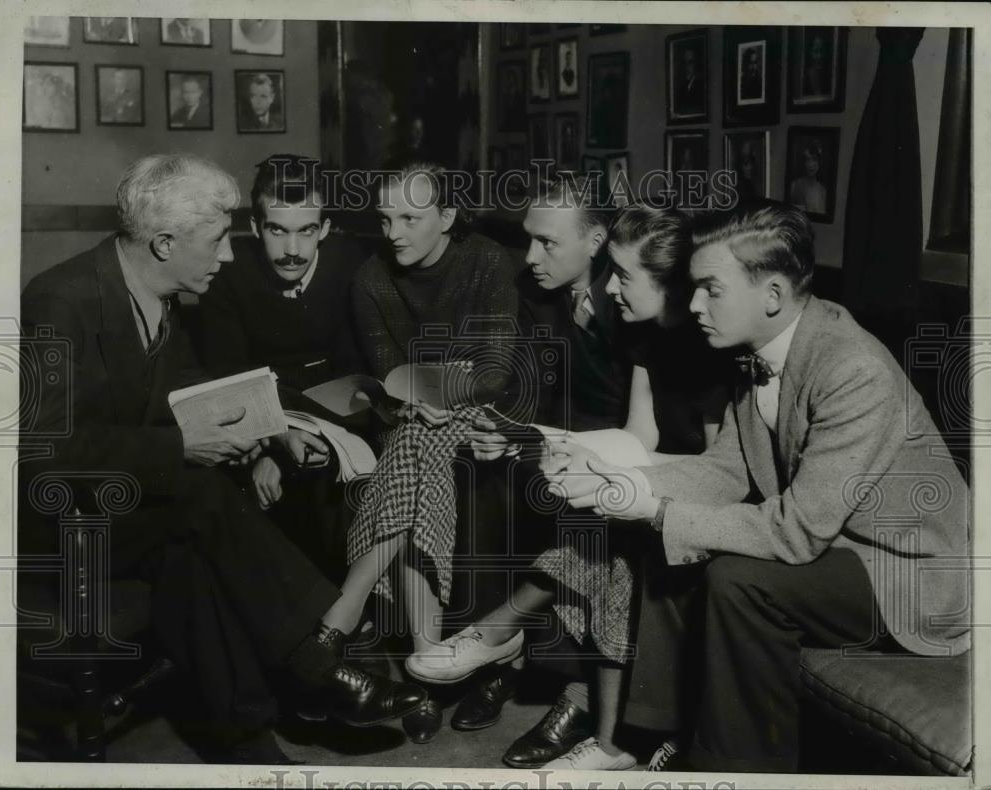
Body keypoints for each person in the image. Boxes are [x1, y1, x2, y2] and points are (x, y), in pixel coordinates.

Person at [18, 154, 425, 764]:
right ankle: (318, 658)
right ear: (162, 243)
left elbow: (192, 392)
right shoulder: (61, 299)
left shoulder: (161, 297)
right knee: (201, 495)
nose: (229, 255)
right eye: (214, 241)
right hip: (68, 525)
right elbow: (43, 456)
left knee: (195, 546)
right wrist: (181, 446)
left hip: (137, 507)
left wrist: (271, 427)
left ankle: (249, 741)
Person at [543, 200, 971, 772]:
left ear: (771, 295)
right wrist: (617, 484)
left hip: (907, 572)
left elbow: (795, 533)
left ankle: (737, 771)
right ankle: (646, 737)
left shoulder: (853, 368)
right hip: (842, 547)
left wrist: (654, 507)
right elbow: (730, 469)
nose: (692, 303)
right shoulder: (759, 349)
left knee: (738, 577)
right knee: (667, 536)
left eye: (709, 289)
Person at [410, 204, 732, 771]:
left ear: (673, 283)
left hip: (700, 495)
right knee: (593, 508)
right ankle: (606, 738)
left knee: (609, 524)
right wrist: (529, 437)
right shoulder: (645, 337)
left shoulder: (712, 348)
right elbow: (637, 434)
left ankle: (504, 636)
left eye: (626, 276)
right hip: (654, 479)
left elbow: (720, 466)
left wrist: (611, 473)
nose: (615, 289)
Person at [324, 161, 520, 743]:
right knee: (417, 440)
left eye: (410, 218)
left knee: (417, 441)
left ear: (448, 217)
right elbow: (389, 379)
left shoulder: (485, 260)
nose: (394, 233)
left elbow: (495, 372)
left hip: (489, 414)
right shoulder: (370, 280)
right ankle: (428, 663)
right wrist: (415, 398)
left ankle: (348, 610)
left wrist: (437, 387)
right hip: (412, 421)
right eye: (386, 218)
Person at [197, 153, 366, 577]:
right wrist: (272, 443)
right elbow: (227, 378)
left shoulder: (353, 267)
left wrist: (289, 445)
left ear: (325, 229)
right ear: (255, 229)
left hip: (338, 427)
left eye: (307, 231)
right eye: (277, 230)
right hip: (257, 425)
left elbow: (355, 380)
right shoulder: (226, 274)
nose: (293, 251)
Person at [789, 139, 827, 215]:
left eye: (814, 159)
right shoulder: (795, 186)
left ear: (819, 162)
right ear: (803, 162)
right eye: (807, 160)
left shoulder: (823, 191)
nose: (810, 164)